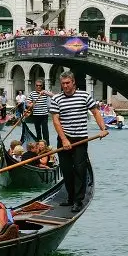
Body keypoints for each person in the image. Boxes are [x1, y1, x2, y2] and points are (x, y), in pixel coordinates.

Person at [50, 71, 108, 213]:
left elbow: (95, 112)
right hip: (64, 139)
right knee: (66, 170)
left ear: (73, 82)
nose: (65, 86)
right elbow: (56, 120)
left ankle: (78, 201)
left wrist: (103, 129)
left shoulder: (84, 96)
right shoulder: (56, 99)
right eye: (63, 84)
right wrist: (64, 140)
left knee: (80, 170)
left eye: (67, 83)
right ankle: (70, 197)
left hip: (81, 139)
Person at [27, 79, 53, 145]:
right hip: (36, 115)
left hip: (44, 115)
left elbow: (53, 95)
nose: (38, 87)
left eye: (40, 85)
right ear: (35, 86)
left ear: (42, 86)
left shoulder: (45, 92)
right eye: (37, 85)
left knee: (45, 131)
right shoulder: (32, 93)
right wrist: (32, 104)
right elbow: (28, 103)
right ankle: (39, 145)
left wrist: (45, 92)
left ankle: (47, 145)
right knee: (38, 131)